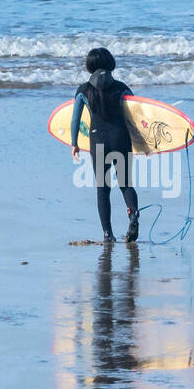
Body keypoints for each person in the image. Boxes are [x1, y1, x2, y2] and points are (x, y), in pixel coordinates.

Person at [71, 47, 140, 243]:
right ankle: (133, 215)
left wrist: (74, 143)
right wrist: (144, 145)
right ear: (110, 63)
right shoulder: (122, 87)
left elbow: (75, 119)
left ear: (89, 66)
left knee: (103, 188)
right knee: (126, 184)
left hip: (98, 141)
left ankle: (108, 234)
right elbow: (135, 117)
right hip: (121, 138)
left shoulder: (83, 90)